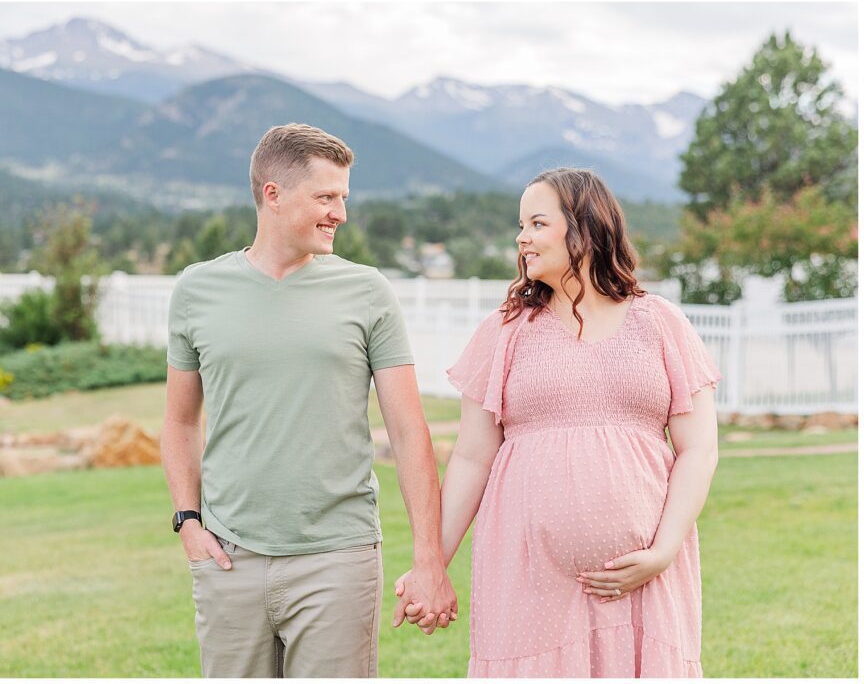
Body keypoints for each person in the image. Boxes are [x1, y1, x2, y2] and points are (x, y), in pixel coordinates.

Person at [393, 167, 721, 677]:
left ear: (584, 228)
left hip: (644, 581)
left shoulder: (660, 323)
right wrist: (431, 564)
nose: (522, 237)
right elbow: (472, 457)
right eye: (520, 225)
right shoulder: (505, 331)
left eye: (537, 223)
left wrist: (663, 550)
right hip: (527, 582)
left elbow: (699, 448)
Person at [160, 123, 457, 678]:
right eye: (326, 197)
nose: (340, 213)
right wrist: (188, 521)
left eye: (343, 198)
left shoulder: (368, 292)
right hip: (228, 558)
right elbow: (179, 422)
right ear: (273, 195)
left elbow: (410, 431)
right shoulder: (196, 290)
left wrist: (428, 558)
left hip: (337, 560)